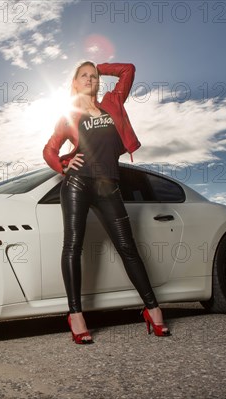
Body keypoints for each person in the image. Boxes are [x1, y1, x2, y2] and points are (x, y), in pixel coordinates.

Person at [43, 61, 171, 344]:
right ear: (74, 83)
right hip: (77, 183)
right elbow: (50, 148)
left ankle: (153, 309)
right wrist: (63, 165)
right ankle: (76, 315)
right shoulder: (68, 116)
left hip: (108, 185)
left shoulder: (113, 102)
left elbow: (129, 70)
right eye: (83, 76)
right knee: (73, 247)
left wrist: (99, 66)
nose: (90, 79)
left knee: (128, 248)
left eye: (93, 76)